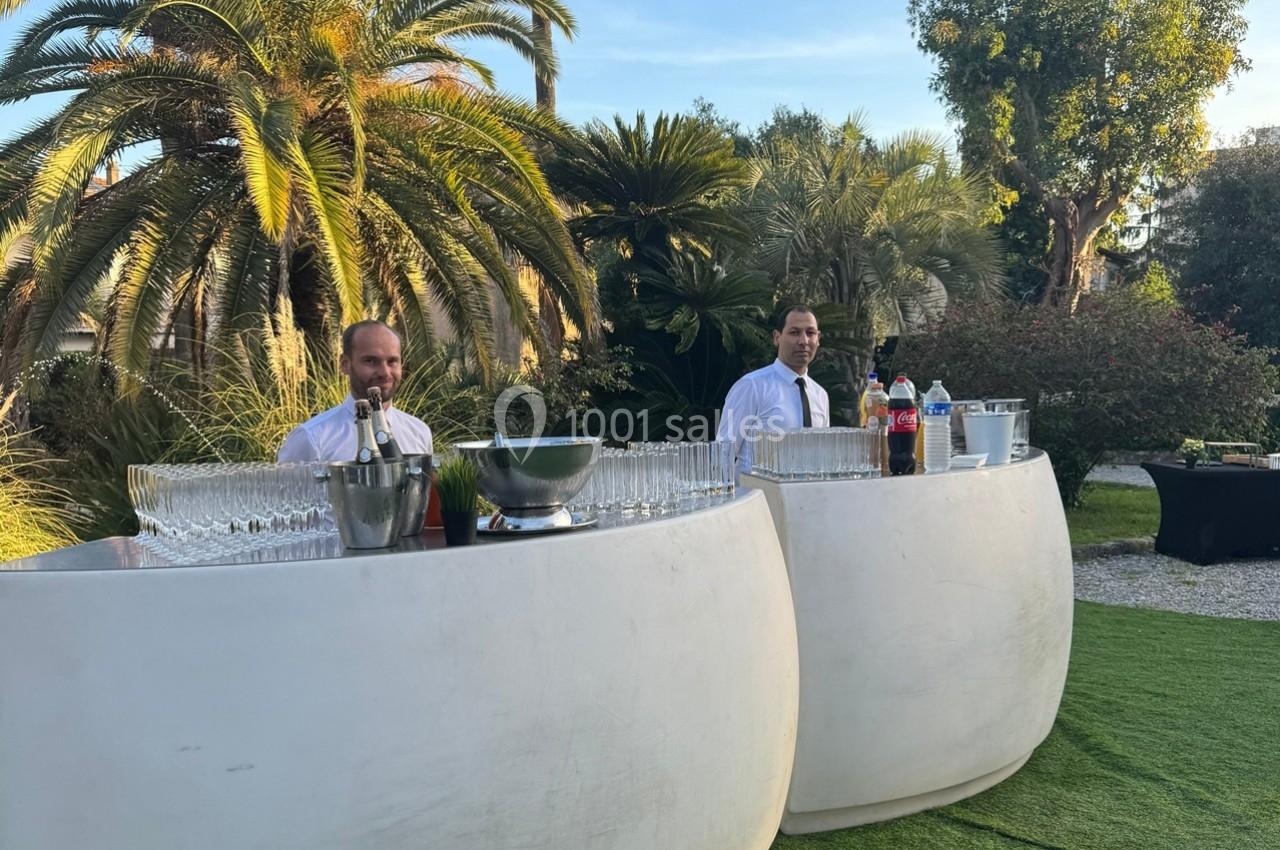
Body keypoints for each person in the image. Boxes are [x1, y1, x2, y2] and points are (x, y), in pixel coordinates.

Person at [277, 320, 434, 462]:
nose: (384, 372)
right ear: (345, 364)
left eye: (392, 361)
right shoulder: (312, 437)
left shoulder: (419, 432)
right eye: (371, 361)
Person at [716, 305, 830, 473]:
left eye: (810, 333)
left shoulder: (820, 395)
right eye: (794, 332)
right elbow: (723, 452)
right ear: (777, 337)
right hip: (755, 489)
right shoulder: (752, 386)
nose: (803, 341)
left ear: (818, 338)